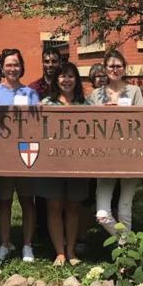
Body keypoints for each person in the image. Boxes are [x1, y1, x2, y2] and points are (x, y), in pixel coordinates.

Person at [0, 48, 40, 263]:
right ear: (2, 67)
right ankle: (4, 243)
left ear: (21, 67)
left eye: (16, 64)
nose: (12, 68)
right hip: (2, 155)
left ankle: (27, 245)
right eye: (8, 65)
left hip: (26, 153)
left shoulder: (31, 94)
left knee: (27, 201)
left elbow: (37, 124)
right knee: (4, 201)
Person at [88, 50, 143, 235]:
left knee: (124, 209)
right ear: (105, 68)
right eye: (111, 66)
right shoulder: (96, 94)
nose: (115, 69)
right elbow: (87, 124)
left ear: (124, 68)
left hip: (129, 155)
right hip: (104, 158)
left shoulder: (134, 91)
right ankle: (128, 243)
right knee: (102, 214)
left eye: (119, 66)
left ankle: (125, 251)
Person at [38, 62, 89, 265]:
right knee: (54, 206)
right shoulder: (46, 103)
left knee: (73, 206)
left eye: (70, 76)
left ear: (76, 80)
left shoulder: (86, 104)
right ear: (56, 80)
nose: (66, 80)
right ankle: (59, 252)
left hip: (78, 163)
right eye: (62, 76)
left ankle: (71, 251)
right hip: (52, 162)